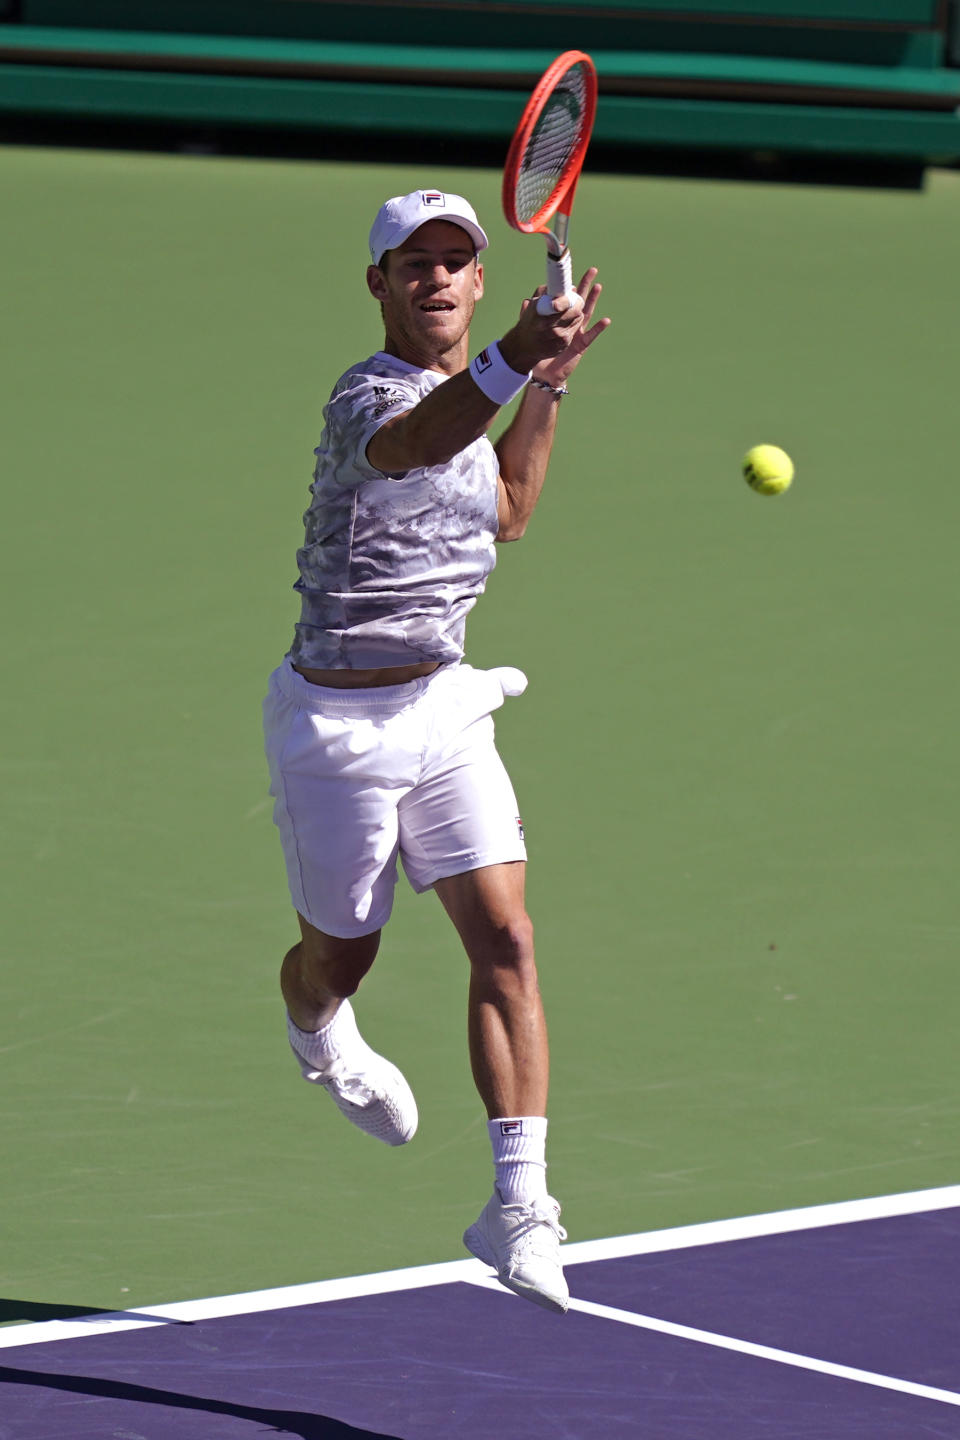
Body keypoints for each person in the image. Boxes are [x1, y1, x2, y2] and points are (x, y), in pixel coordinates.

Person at [263, 189, 610, 1313]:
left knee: (506, 938)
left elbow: (505, 502)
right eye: (415, 264)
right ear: (379, 284)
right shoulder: (368, 398)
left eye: (459, 262)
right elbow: (425, 440)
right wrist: (520, 354)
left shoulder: (488, 395)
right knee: (340, 958)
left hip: (445, 707)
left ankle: (519, 1207)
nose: (441, 280)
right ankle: (318, 1032)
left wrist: (546, 381)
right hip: (338, 731)